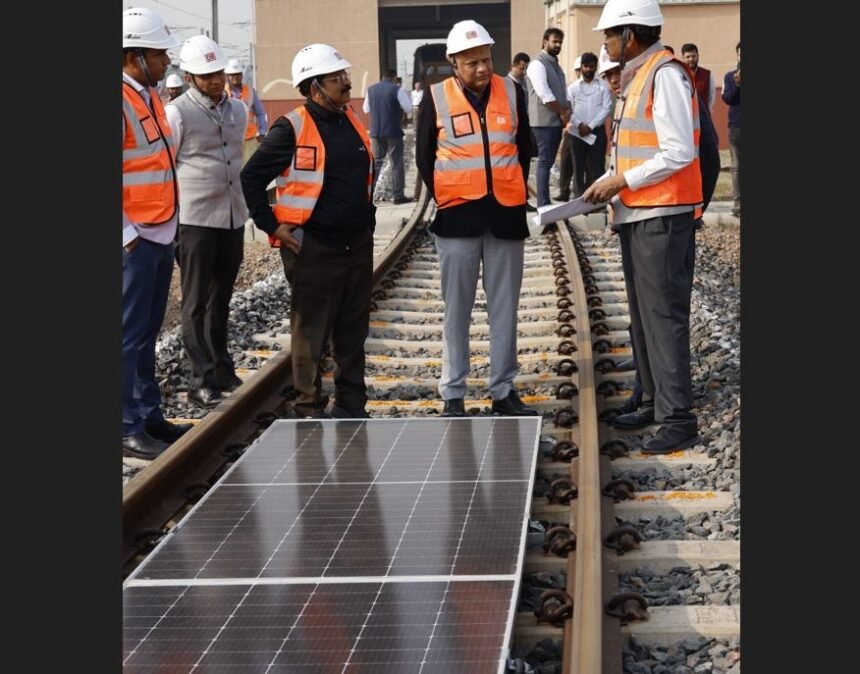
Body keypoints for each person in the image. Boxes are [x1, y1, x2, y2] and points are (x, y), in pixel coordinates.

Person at [583, 0, 703, 453]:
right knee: (642, 316)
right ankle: (652, 399)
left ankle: (678, 417)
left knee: (663, 316)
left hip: (662, 214)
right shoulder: (640, 76)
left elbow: (678, 152)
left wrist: (622, 180)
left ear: (630, 35)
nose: (606, 43)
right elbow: (634, 149)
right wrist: (607, 183)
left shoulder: (665, 75)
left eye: (610, 35)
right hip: (638, 212)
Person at [241, 43, 375, 419]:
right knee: (311, 333)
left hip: (355, 244)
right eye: (338, 79)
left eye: (345, 77)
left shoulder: (348, 118)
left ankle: (351, 405)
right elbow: (251, 178)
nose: (347, 84)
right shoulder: (292, 128)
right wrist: (271, 225)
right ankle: (308, 407)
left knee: (352, 332)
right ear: (315, 88)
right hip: (313, 247)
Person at [415, 19, 537, 418]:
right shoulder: (436, 98)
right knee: (457, 311)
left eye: (486, 59)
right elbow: (424, 157)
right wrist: (451, 195)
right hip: (457, 221)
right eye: (472, 63)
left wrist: (507, 189)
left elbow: (524, 148)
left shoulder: (513, 90)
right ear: (454, 63)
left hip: (505, 217)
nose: (483, 68)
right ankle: (453, 393)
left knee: (504, 308)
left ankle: (502, 389)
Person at [122, 7, 192, 459]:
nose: (167, 62)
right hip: (135, 240)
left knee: (146, 332)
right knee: (126, 336)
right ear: (134, 55)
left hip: (159, 231)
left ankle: (148, 414)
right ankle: (126, 425)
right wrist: (126, 235)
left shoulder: (145, 96)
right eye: (159, 53)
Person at [165, 36, 248, 409]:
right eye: (207, 75)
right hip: (195, 219)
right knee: (196, 301)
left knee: (222, 296)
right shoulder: (177, 113)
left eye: (218, 72)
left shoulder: (239, 110)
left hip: (231, 216)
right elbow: (168, 165)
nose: (216, 80)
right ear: (189, 76)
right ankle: (199, 380)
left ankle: (220, 367)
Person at [524, 28, 571, 208]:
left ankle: (544, 201)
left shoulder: (555, 65)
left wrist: (566, 107)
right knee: (544, 161)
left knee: (549, 160)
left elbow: (559, 91)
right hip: (543, 122)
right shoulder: (538, 64)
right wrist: (562, 112)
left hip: (554, 121)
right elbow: (545, 94)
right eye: (554, 41)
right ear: (545, 42)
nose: (558, 45)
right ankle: (543, 202)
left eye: (560, 42)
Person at [566, 51, 612, 199]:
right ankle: (579, 198)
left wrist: (590, 126)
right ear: (581, 67)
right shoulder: (573, 87)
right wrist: (579, 124)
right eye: (585, 66)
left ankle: (597, 199)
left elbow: (606, 108)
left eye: (591, 66)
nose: (588, 70)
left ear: (595, 67)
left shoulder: (603, 86)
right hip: (577, 132)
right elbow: (569, 109)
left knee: (597, 166)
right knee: (578, 166)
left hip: (596, 132)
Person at [363, 68, 413, 204]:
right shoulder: (396, 89)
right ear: (393, 78)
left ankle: (369, 195)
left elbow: (365, 109)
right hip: (393, 131)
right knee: (396, 163)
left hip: (375, 132)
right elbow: (408, 107)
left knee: (376, 163)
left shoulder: (371, 90)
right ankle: (398, 196)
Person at [224, 58, 269, 164]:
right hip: (230, 140)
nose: (235, 77)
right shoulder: (222, 93)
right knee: (233, 173)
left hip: (249, 139)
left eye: (237, 74)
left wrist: (262, 132)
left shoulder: (250, 91)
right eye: (232, 74)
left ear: (241, 74)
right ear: (228, 76)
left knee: (250, 171)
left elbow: (260, 113)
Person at [555, 55, 581, 202]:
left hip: (586, 130)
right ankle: (564, 191)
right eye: (577, 69)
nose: (580, 72)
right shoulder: (571, 87)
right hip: (571, 129)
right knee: (566, 161)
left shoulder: (596, 86)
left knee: (583, 165)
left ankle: (580, 193)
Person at [722, 41, 740, 218]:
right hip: (736, 126)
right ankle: (738, 202)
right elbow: (727, 98)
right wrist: (737, 85)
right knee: (737, 166)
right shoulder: (729, 76)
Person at [680, 43, 715, 112]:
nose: (691, 59)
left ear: (698, 56)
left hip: (702, 117)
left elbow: (711, 98)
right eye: (688, 57)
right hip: (684, 117)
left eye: (693, 56)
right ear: (683, 58)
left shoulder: (708, 74)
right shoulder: (678, 75)